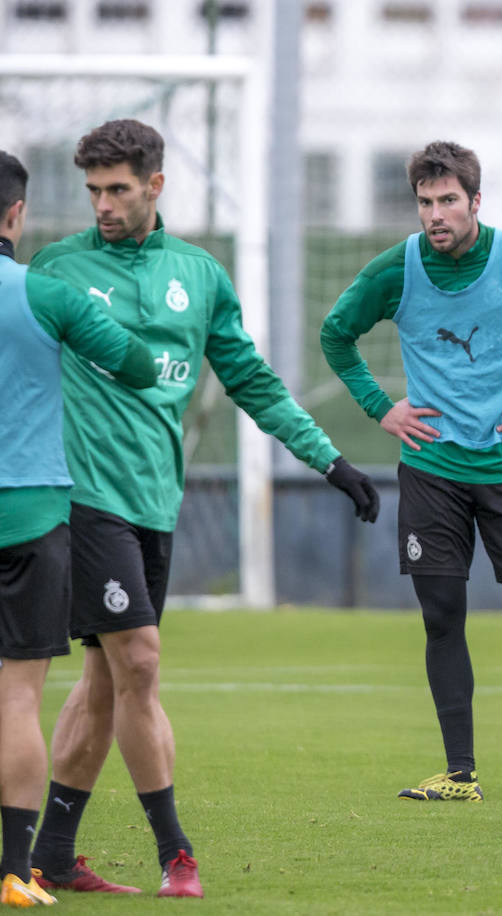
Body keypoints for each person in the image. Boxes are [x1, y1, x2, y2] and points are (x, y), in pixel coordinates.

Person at [27, 119, 380, 899]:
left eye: (118, 189)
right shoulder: (56, 268)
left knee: (105, 679)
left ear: (156, 185)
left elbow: (251, 380)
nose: (104, 205)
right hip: (82, 497)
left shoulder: (201, 275)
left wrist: (329, 459)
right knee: (141, 661)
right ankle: (175, 852)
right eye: (93, 191)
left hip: (157, 499)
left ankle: (52, 853)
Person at [320, 140, 502, 802]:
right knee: (441, 615)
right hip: (430, 468)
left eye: (448, 201)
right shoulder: (397, 270)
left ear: (476, 202)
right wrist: (380, 407)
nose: (435, 215)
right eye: (425, 203)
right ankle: (460, 773)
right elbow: (336, 334)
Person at [0, 150, 157, 908]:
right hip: (31, 517)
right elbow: (131, 362)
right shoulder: (46, 293)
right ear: (17, 215)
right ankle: (13, 868)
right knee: (18, 700)